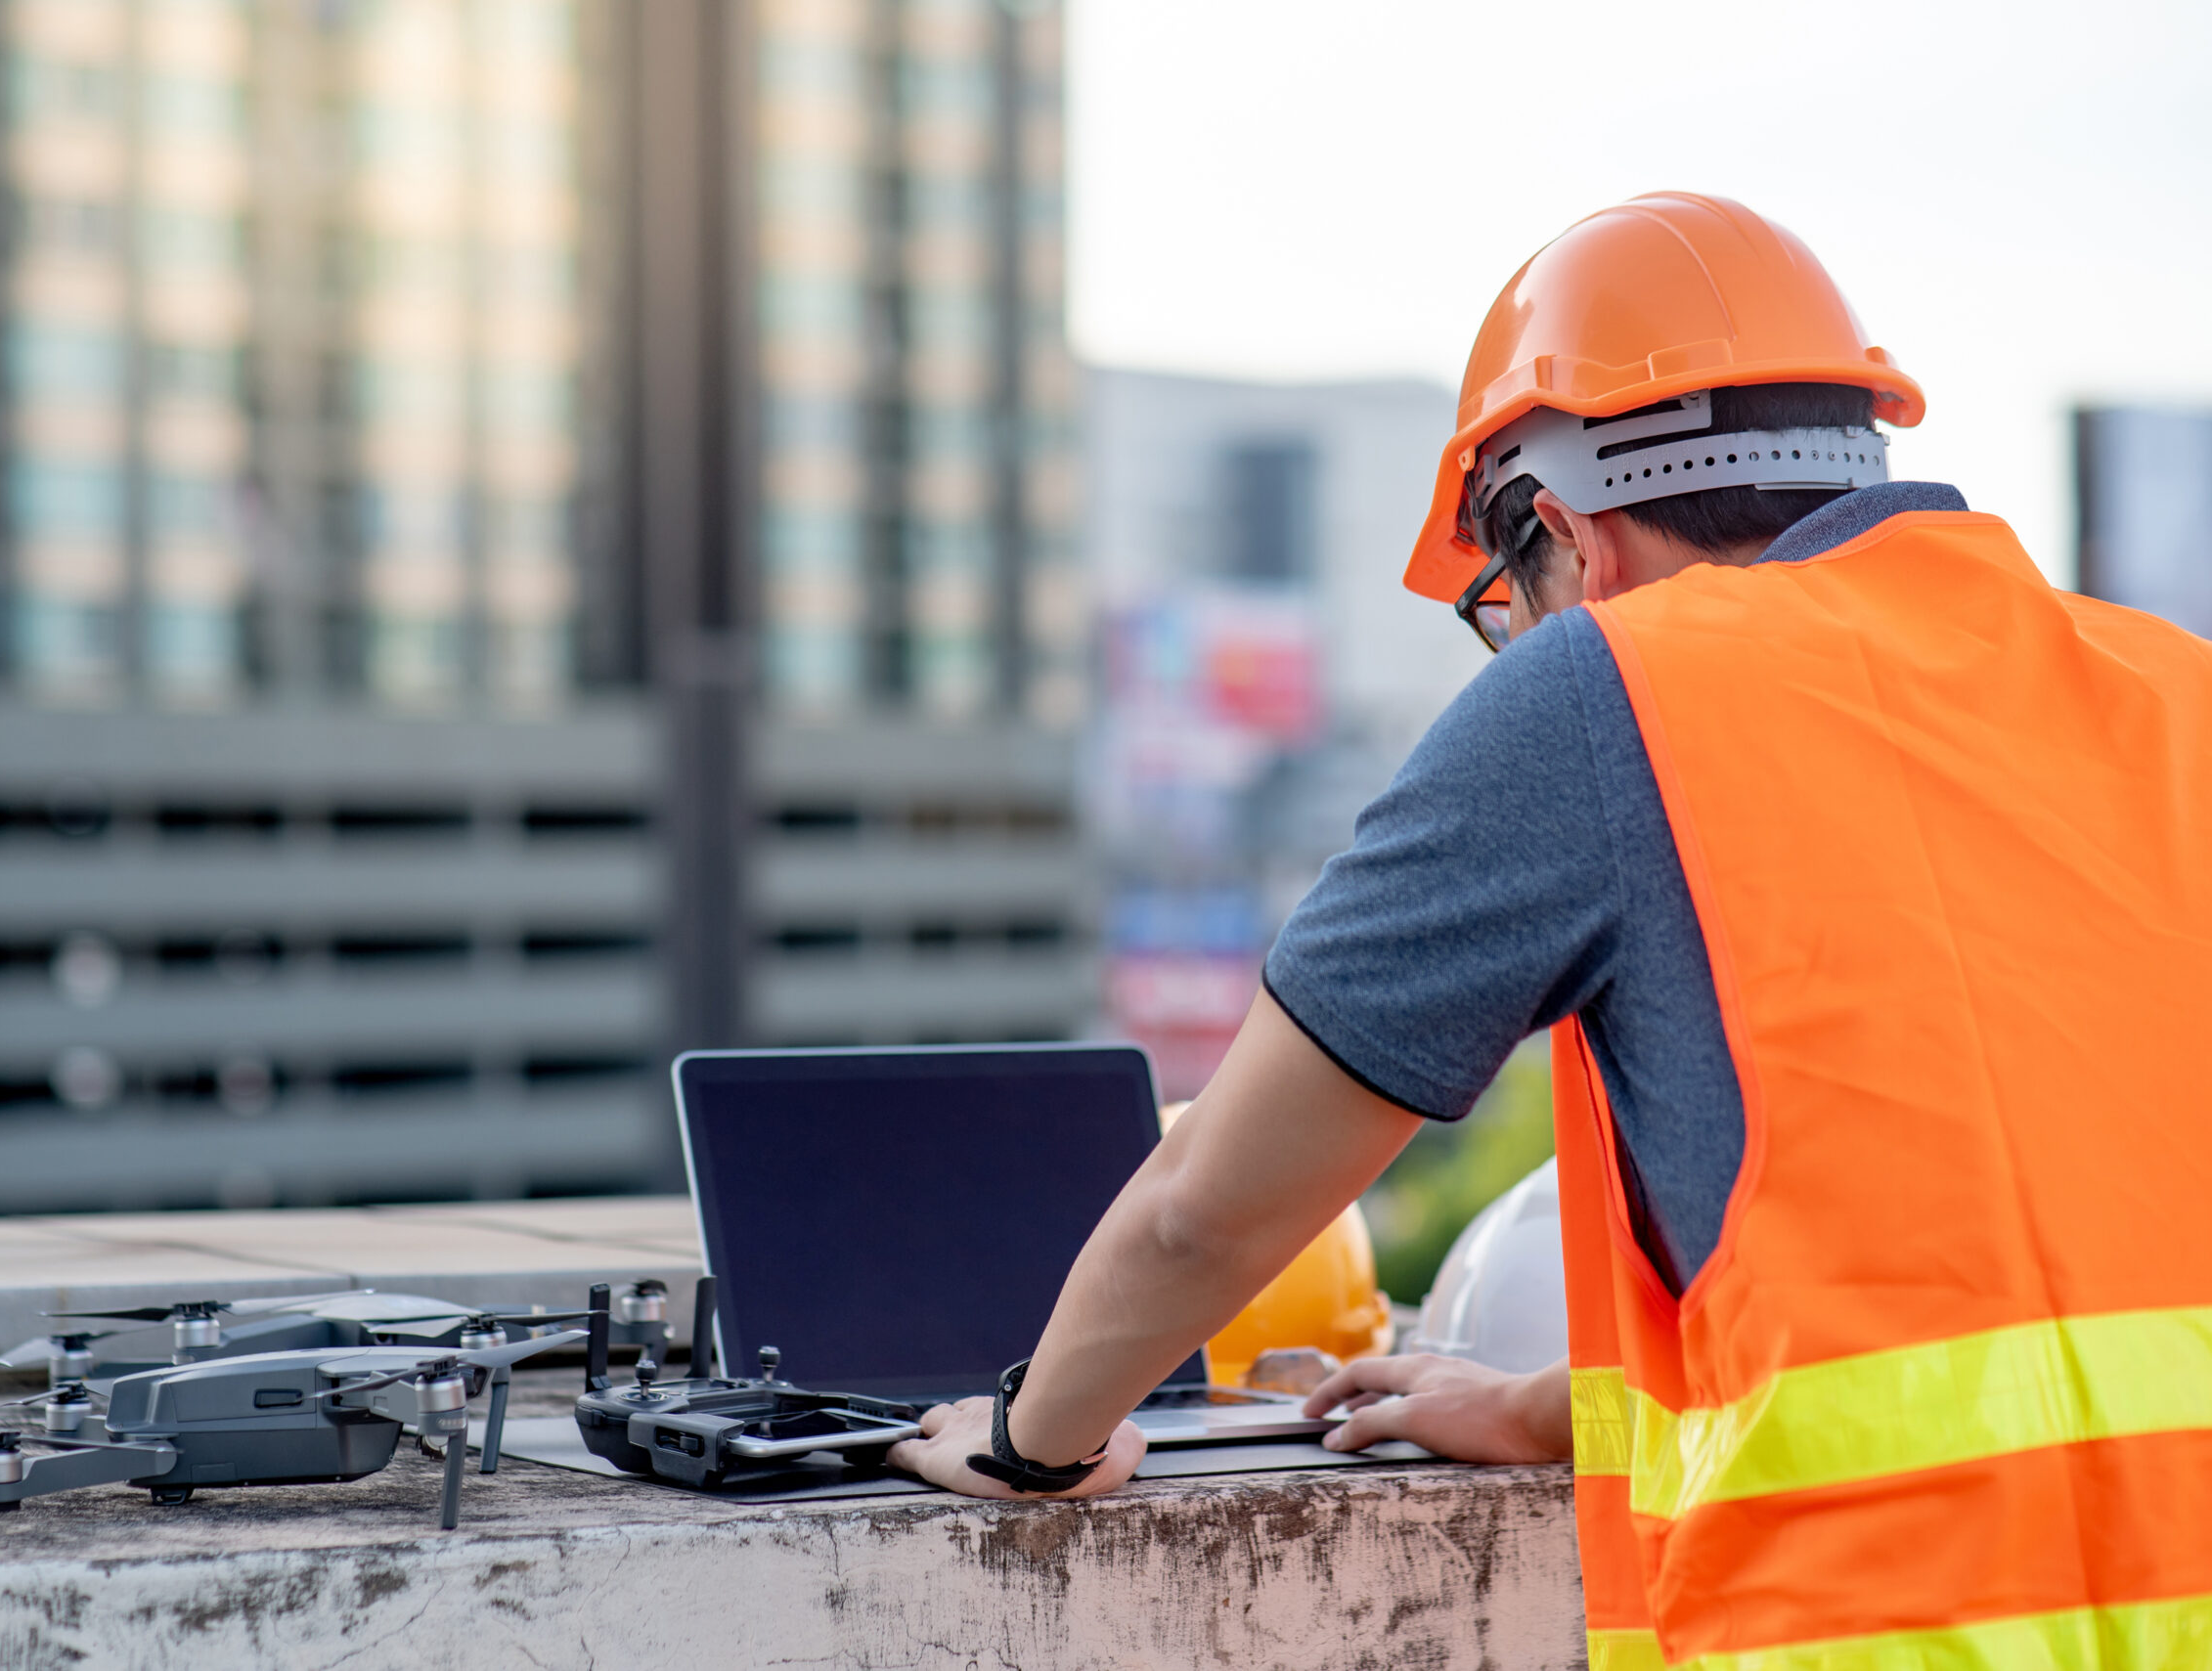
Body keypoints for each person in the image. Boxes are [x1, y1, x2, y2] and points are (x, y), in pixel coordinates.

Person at [890, 193, 2212, 1667]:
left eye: (1505, 601)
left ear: (1571, 540)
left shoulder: (1612, 689)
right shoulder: (2171, 690)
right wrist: (1556, 1404)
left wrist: (1033, 1436)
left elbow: (1215, 1198)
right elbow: (2041, 1222)